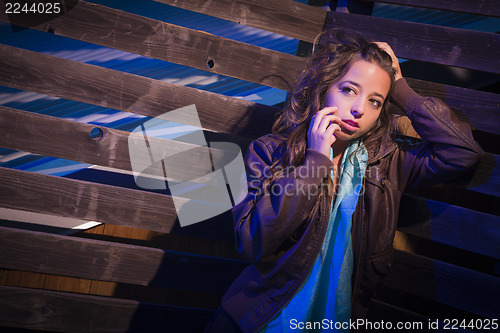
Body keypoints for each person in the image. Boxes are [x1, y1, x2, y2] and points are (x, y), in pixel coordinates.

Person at [204, 29, 483, 333]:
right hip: (259, 320)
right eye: (350, 89)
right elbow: (251, 242)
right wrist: (315, 161)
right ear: (324, 88)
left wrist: (401, 89)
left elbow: (462, 151)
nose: (360, 109)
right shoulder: (270, 151)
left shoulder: (387, 163)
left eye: (375, 101)